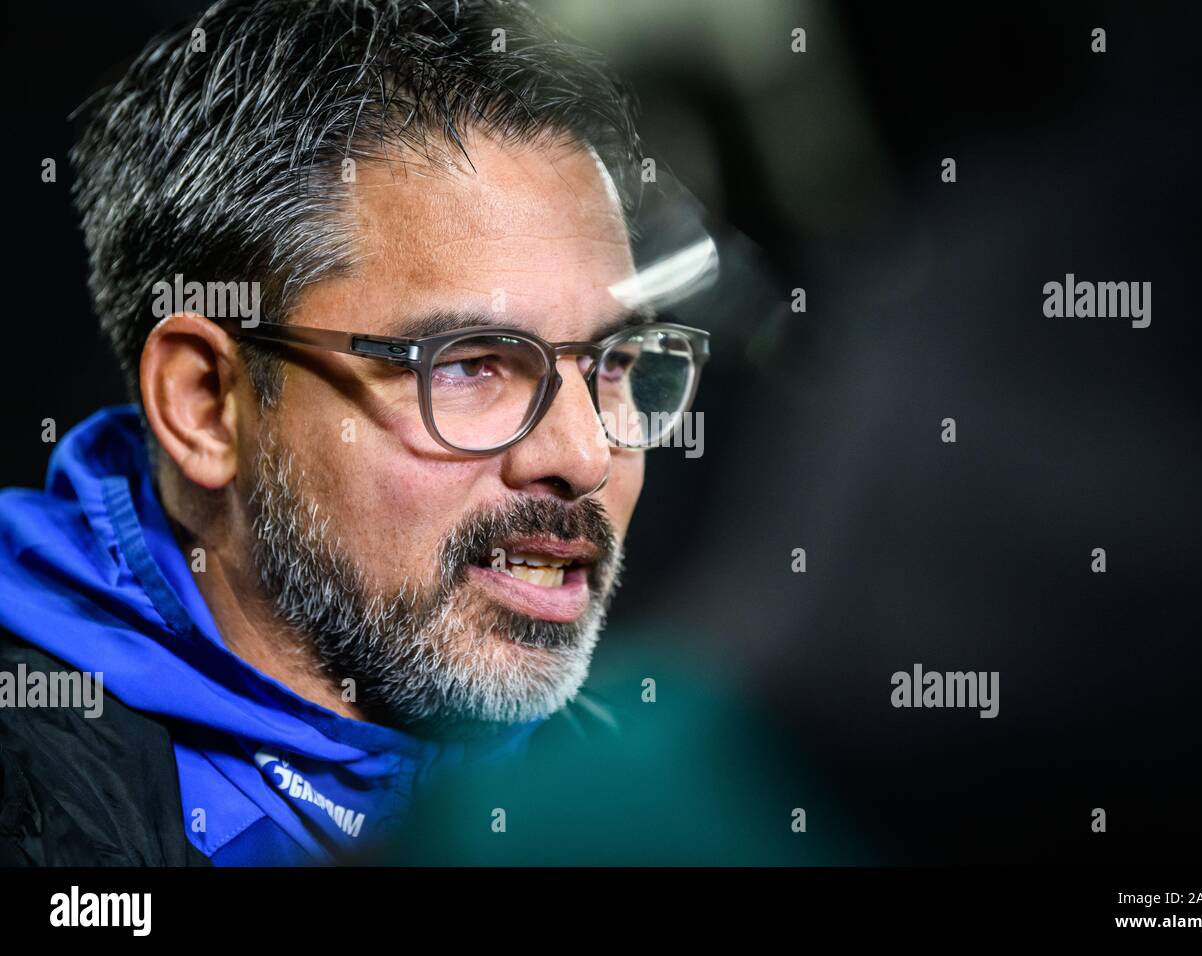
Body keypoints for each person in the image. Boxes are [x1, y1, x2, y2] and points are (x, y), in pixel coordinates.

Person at [0, 0, 708, 865]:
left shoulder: (672, 794)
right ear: (205, 404)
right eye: (469, 364)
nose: (583, 456)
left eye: (612, 363)